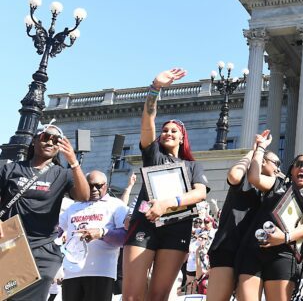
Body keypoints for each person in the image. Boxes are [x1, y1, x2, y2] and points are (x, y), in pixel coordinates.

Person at [122, 68, 210, 301]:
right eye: (164, 130)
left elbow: (199, 194)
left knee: (158, 297)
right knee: (131, 296)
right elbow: (148, 120)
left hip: (176, 228)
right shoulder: (153, 155)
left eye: (174, 130)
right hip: (145, 225)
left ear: (182, 137)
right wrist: (155, 89)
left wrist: (167, 203)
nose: (167, 133)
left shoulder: (192, 167)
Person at [0, 123, 90, 300]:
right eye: (45, 137)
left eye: (56, 140)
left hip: (42, 249)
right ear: (34, 140)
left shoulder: (63, 174)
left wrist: (73, 162)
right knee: (6, 295)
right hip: (9, 244)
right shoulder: (10, 169)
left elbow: (83, 196)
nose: (50, 142)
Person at [235, 130, 303, 301]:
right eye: (298, 164)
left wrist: (284, 237)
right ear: (291, 170)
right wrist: (260, 148)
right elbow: (254, 177)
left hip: (284, 254)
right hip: (255, 249)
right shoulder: (277, 184)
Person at [206, 144, 281, 301]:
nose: (279, 169)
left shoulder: (273, 189)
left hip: (251, 253)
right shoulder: (245, 179)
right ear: (263, 161)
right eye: (277, 163)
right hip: (228, 246)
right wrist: (253, 151)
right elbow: (233, 176)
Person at [58, 170, 129, 300]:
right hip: (71, 272)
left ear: (106, 186)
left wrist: (102, 233)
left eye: (98, 185)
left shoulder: (116, 205)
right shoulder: (73, 207)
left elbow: (125, 237)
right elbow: (56, 231)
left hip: (101, 272)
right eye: (90, 185)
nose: (94, 189)